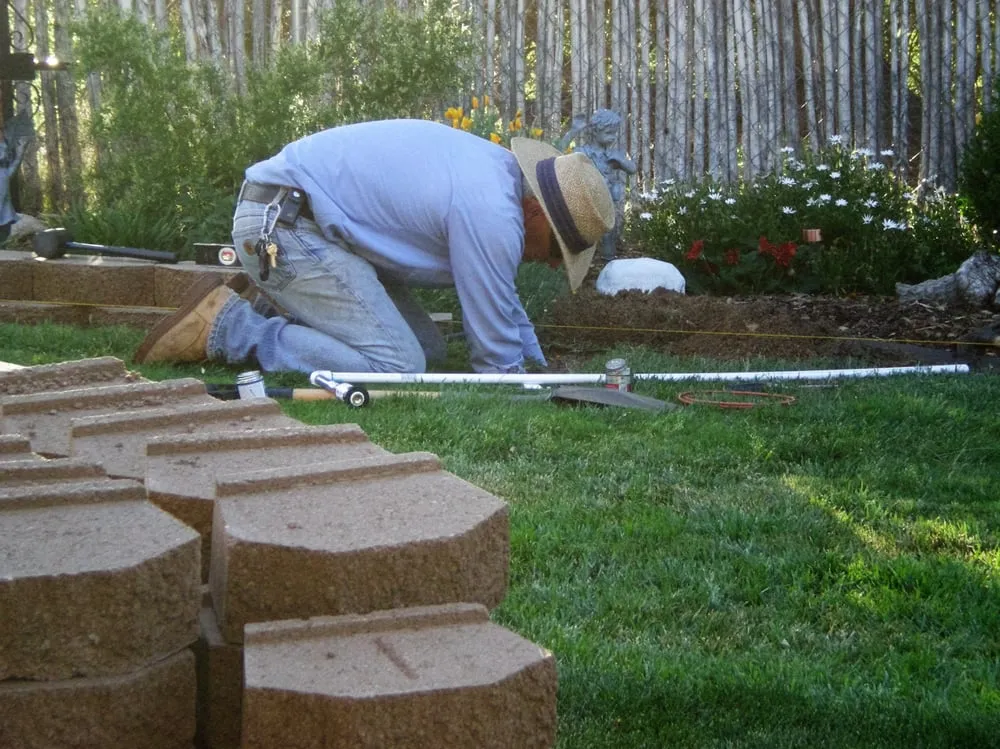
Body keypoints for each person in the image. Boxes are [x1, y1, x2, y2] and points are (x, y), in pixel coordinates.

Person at [134, 118, 614, 374]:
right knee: (398, 365)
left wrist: (539, 365)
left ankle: (278, 305)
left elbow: (500, 302)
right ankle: (232, 329)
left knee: (426, 349)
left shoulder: (494, 178)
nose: (552, 264)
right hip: (283, 229)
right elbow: (495, 357)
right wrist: (517, 377)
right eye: (556, 248)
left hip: (303, 226)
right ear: (537, 213)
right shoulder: (492, 211)